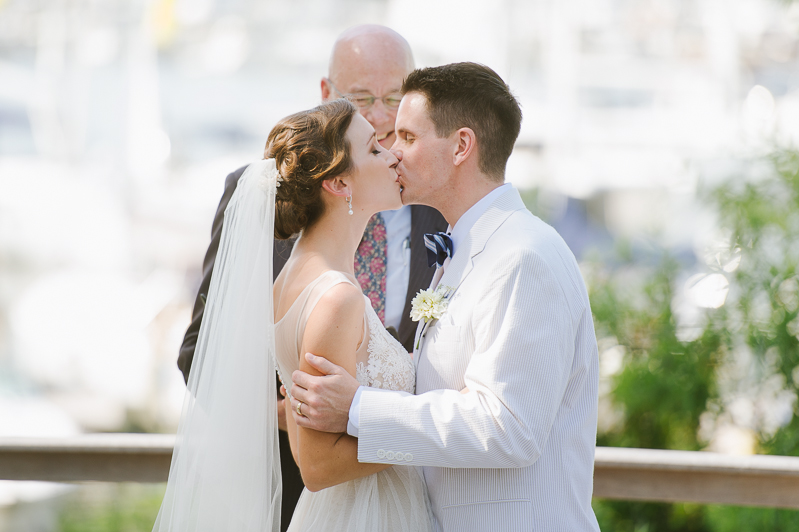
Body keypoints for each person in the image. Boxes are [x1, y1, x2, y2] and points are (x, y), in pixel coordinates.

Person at [288, 63, 602, 531]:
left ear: (461, 146)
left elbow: (507, 428)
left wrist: (358, 406)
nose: (393, 153)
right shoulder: (459, 251)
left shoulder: (524, 256)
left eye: (409, 138)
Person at [176, 24, 446, 529]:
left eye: (396, 96)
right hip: (301, 497)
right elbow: (201, 350)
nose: (384, 119)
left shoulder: (436, 198)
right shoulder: (261, 203)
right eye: (363, 98)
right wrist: (302, 416)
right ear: (327, 95)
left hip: (412, 502)